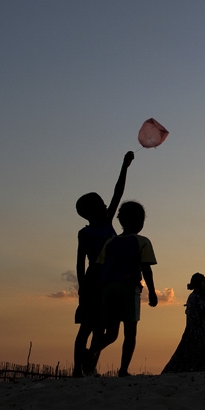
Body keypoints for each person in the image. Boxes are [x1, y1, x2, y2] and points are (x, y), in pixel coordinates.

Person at [73, 151, 134, 377]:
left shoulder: (108, 221)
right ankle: (78, 370)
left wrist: (125, 166)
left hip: (111, 279)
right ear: (90, 212)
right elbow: (80, 264)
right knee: (87, 328)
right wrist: (81, 288)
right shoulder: (85, 233)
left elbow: (119, 191)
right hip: (94, 281)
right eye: (100, 204)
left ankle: (89, 362)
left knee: (108, 332)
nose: (105, 204)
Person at [90, 201, 158, 377]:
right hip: (128, 290)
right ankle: (123, 369)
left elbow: (99, 268)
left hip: (108, 290)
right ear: (140, 222)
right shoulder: (142, 242)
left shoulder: (110, 242)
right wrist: (152, 291)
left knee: (111, 333)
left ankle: (89, 353)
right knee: (130, 332)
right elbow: (146, 269)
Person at [162, 273, 205, 373]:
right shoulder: (195, 298)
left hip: (197, 331)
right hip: (195, 331)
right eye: (204, 282)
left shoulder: (199, 297)